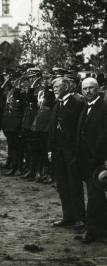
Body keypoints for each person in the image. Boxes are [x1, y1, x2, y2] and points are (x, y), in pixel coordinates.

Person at [49, 77, 85, 229]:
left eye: (57, 86)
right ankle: (67, 216)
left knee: (74, 184)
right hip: (58, 151)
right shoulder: (57, 104)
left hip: (71, 151)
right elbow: (51, 129)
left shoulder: (77, 103)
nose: (54, 89)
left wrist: (78, 152)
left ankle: (80, 218)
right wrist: (50, 149)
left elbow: (80, 129)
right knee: (62, 184)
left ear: (66, 87)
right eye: (53, 87)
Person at [76, 77, 107, 243]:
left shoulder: (104, 107)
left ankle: (95, 230)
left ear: (98, 89)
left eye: (91, 88)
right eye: (85, 88)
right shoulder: (85, 107)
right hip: (86, 159)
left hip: (99, 158)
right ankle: (95, 228)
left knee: (97, 194)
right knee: (94, 194)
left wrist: (101, 156)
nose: (88, 91)